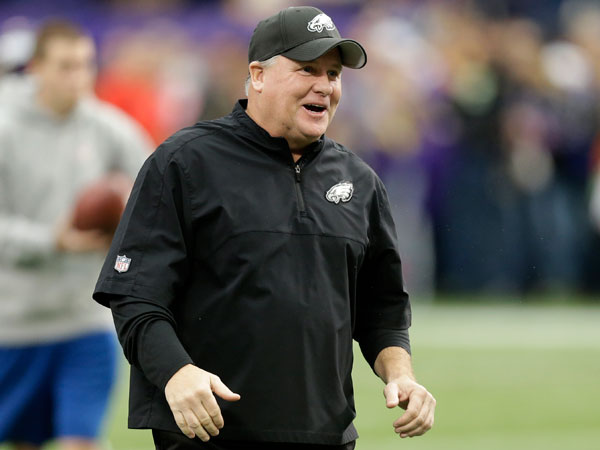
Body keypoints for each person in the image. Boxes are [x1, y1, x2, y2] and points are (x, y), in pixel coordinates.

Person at [93, 6, 436, 449]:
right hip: (210, 434)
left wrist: (401, 375)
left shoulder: (359, 181)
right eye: (308, 69)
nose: (325, 85)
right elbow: (135, 295)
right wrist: (176, 373)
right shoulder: (185, 162)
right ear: (258, 75)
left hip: (326, 435)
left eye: (333, 74)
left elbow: (382, 309)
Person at [0, 20, 152, 450]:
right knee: (24, 442)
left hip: (86, 320)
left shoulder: (110, 127)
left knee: (82, 441)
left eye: (86, 64)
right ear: (36, 68)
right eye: (66, 66)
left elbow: (158, 191)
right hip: (14, 325)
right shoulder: (5, 128)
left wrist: (128, 230)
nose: (79, 77)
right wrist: (52, 240)